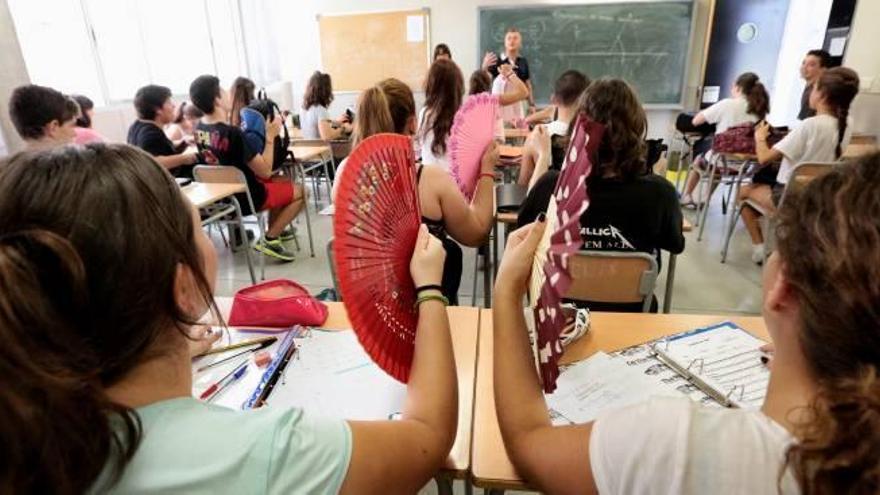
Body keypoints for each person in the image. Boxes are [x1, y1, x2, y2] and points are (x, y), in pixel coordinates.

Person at [0, 143, 458, 494]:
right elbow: (426, 438)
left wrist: (173, 343)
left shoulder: (28, 435)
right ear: (182, 288)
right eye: (198, 226)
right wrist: (430, 289)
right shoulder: (263, 453)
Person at [492, 151, 880, 495]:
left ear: (783, 287)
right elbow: (675, 243)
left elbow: (530, 444)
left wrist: (506, 294)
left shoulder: (675, 448)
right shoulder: (658, 192)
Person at [517, 79, 684, 312]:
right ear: (636, 132)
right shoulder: (660, 193)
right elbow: (674, 244)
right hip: (633, 322)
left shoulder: (551, 186)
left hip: (559, 322)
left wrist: (543, 157)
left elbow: (522, 232)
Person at [333, 78, 497, 305]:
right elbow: (477, 232)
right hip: (427, 309)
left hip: (373, 305)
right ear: (412, 123)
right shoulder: (430, 180)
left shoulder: (344, 173)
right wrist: (486, 171)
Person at [739, 67, 859, 264]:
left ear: (822, 94)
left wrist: (760, 137)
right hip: (820, 197)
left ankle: (760, 249)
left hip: (789, 197)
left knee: (742, 192)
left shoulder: (809, 125)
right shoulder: (848, 123)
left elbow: (764, 158)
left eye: (813, 88)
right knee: (755, 196)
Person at [190, 75, 306, 262]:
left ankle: (274, 228)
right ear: (217, 99)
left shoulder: (199, 129)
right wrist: (270, 136)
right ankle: (270, 238)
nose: (229, 94)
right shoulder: (233, 133)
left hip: (221, 198)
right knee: (302, 192)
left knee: (284, 181)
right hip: (248, 197)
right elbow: (265, 171)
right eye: (224, 91)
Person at [680, 72, 771, 207]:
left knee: (701, 159)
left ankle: (686, 196)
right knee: (717, 158)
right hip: (745, 167)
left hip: (719, 163)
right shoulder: (759, 110)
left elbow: (696, 121)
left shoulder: (727, 104)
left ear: (738, 88)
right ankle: (705, 199)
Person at [518, 70, 590, 186]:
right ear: (586, 101)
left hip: (544, 202)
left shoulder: (536, 137)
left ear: (553, 99)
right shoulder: (592, 138)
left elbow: (522, 187)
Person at [127, 85, 200, 178]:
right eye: (169, 102)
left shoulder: (137, 125)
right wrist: (187, 158)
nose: (173, 106)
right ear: (157, 109)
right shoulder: (149, 134)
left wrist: (183, 142)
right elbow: (153, 161)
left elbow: (158, 148)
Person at [417, 59, 464, 170]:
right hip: (453, 184)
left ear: (431, 86)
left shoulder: (425, 113)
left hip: (427, 182)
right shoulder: (462, 117)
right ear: (456, 88)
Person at [482, 27, 536, 120]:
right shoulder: (496, 61)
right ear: (504, 42)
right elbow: (484, 80)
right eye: (509, 38)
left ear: (520, 42)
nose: (512, 41)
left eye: (515, 38)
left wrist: (531, 104)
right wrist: (484, 66)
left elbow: (528, 84)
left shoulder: (523, 61)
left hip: (520, 102)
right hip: (502, 103)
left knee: (520, 130)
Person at [7, 84, 78, 149]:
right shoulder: (71, 162)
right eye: (72, 125)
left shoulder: (11, 162)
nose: (75, 133)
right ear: (53, 127)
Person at [300, 71, 351, 140]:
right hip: (321, 149)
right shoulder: (320, 110)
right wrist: (343, 128)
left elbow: (320, 126)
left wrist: (338, 123)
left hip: (310, 148)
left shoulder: (304, 108)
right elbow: (327, 136)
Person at [798, 49, 832, 120]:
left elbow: (806, 122)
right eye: (803, 63)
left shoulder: (818, 92)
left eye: (811, 65)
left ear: (824, 69)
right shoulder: (809, 88)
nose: (804, 67)